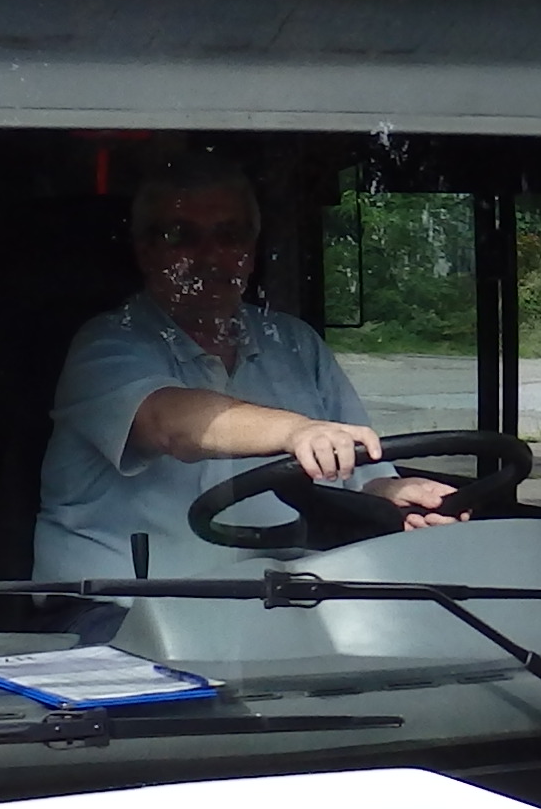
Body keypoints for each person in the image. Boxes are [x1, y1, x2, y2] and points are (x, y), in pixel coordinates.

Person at [32, 152, 460, 579]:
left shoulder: (294, 344)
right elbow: (168, 422)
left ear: (251, 250)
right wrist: (297, 432)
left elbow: (358, 471)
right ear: (146, 249)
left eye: (230, 235)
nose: (210, 256)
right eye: (182, 236)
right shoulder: (106, 343)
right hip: (123, 609)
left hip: (275, 608)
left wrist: (391, 493)